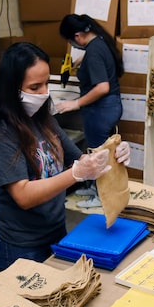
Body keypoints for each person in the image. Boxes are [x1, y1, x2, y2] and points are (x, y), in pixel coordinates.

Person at [0, 42, 130, 272]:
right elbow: (23, 195)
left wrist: (112, 154)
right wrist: (76, 174)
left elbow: (79, 157)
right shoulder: (1, 134)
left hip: (56, 232)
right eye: (34, 87)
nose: (44, 93)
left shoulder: (43, 119)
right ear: (11, 88)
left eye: (46, 83)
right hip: (22, 246)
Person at [57, 14, 124, 209]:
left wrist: (75, 103)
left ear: (77, 36)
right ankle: (95, 187)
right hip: (108, 107)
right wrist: (82, 61)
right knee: (103, 152)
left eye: (71, 41)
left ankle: (101, 197)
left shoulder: (93, 52)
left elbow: (102, 87)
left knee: (99, 156)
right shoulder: (99, 42)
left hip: (100, 111)